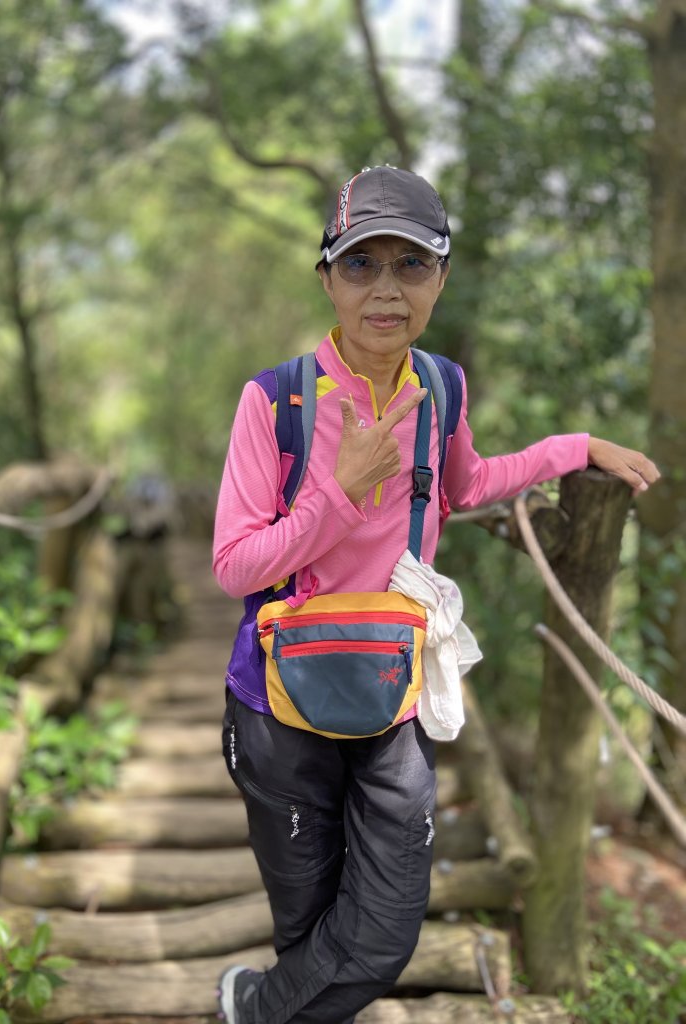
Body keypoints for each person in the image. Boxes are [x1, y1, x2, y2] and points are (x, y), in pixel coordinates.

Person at [211, 165, 660, 1024]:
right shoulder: (275, 402)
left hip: (394, 690)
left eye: (410, 265)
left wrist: (574, 447)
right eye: (361, 265)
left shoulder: (442, 389)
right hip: (277, 703)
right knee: (308, 929)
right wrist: (338, 490)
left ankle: (248, 1010)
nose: (386, 290)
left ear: (441, 278)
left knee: (380, 938)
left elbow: (469, 482)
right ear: (328, 279)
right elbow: (235, 566)